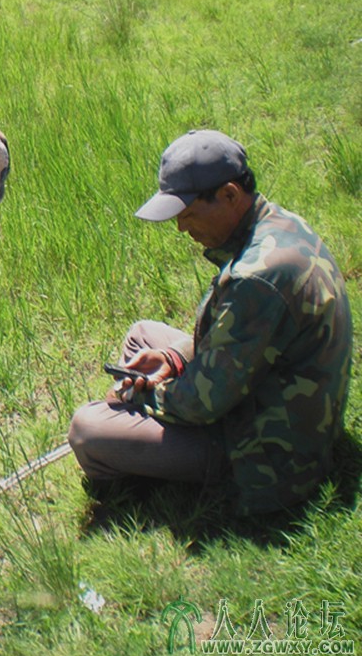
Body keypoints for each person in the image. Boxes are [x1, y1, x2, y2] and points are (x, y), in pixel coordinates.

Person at [68, 129, 353, 515]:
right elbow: (236, 335)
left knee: (87, 430)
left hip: (268, 452)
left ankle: (139, 473)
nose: (182, 229)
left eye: (188, 215)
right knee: (143, 334)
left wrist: (139, 395)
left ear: (229, 195)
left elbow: (202, 402)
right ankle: (141, 449)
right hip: (273, 398)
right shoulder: (278, 226)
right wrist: (173, 359)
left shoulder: (257, 278)